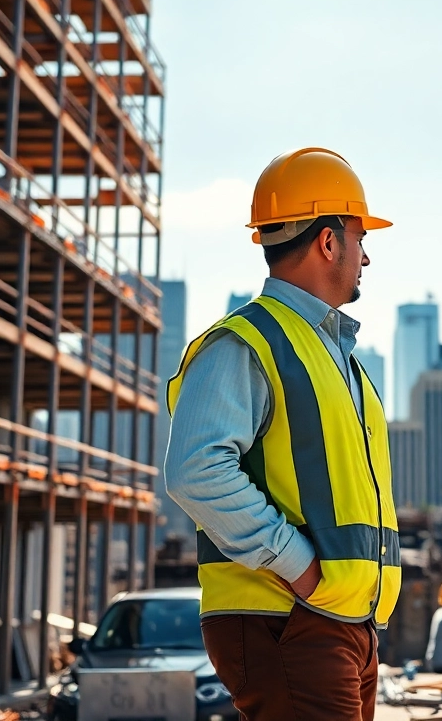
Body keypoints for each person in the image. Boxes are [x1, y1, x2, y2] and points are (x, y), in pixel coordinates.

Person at [163, 147, 400, 721]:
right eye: (360, 237)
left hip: (340, 621)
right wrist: (302, 570)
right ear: (327, 242)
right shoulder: (246, 342)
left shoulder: (337, 358)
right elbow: (195, 470)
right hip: (288, 618)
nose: (366, 258)